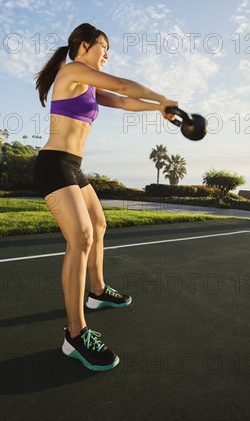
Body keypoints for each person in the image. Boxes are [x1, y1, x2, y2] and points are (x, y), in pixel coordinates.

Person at [33, 23, 178, 371]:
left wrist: (157, 110)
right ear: (85, 45)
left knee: (99, 224)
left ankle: (96, 292)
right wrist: (162, 97)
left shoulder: (86, 84)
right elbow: (123, 84)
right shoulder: (72, 71)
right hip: (53, 166)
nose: (107, 55)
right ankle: (75, 334)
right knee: (80, 238)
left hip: (73, 166)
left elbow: (124, 100)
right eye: (104, 48)